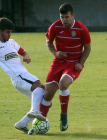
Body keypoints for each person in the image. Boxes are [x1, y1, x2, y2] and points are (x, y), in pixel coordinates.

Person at [28, 3, 91, 134]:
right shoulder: (55, 26)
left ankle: (63, 117)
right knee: (48, 95)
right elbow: (49, 42)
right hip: (58, 62)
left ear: (73, 15)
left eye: (67, 17)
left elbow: (88, 48)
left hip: (73, 64)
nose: (64, 20)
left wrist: (81, 63)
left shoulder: (81, 29)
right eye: (62, 17)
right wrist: (55, 53)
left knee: (63, 84)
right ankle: (38, 124)